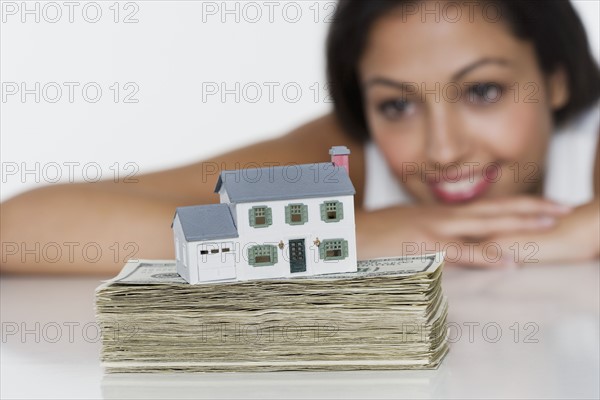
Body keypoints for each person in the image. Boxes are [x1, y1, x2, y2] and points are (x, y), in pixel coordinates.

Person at [2, 0, 599, 275]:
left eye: (483, 92)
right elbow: (19, 229)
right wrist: (333, 237)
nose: (442, 150)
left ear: (556, 80)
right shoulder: (345, 154)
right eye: (395, 104)